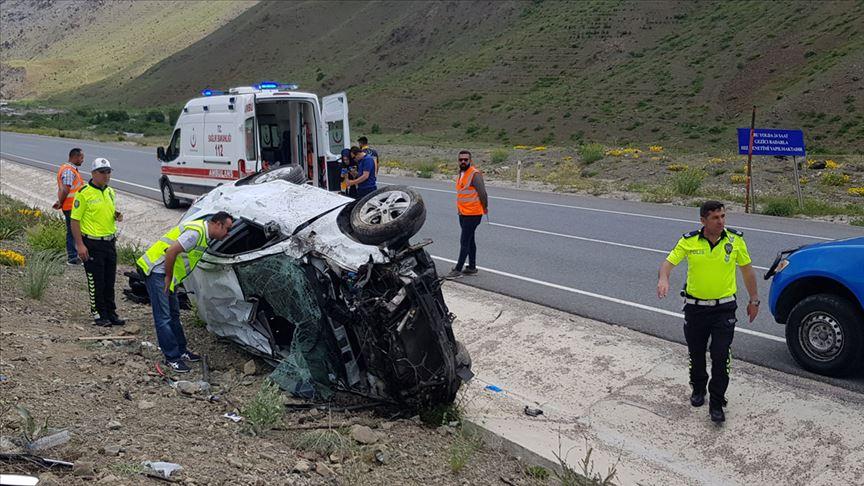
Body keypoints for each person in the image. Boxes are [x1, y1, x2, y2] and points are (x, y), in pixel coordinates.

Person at [657, 200, 759, 423]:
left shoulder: (735, 240)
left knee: (721, 356)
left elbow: (748, 272)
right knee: (696, 353)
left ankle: (717, 402)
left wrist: (754, 300)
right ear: (703, 220)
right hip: (695, 309)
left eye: (723, 216)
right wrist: (664, 278)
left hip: (724, 309)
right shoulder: (689, 241)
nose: (721, 221)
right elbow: (668, 263)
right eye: (715, 217)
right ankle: (698, 388)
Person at [136, 212, 234, 373]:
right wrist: (168, 276)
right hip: (158, 272)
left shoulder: (203, 234)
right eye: (227, 229)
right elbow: (171, 251)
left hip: (168, 275)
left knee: (174, 315)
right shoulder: (196, 234)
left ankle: (181, 351)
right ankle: (172, 358)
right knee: (164, 317)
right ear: (217, 224)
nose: (228, 234)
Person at [70, 158, 125, 327]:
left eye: (108, 172)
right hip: (92, 243)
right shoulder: (84, 193)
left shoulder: (110, 192)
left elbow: (106, 210)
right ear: (93, 173)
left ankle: (111, 312)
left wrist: (115, 215)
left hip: (109, 242)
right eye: (102, 172)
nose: (106, 176)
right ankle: (99, 313)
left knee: (110, 280)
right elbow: (75, 220)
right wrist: (80, 245)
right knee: (96, 280)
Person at [446, 150, 488, 278]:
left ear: (470, 160)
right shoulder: (461, 173)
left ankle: (458, 269)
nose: (463, 161)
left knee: (464, 241)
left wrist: (485, 208)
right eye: (461, 160)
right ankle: (472, 267)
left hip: (473, 214)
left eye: (466, 159)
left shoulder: (475, 174)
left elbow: (483, 193)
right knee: (470, 240)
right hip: (463, 213)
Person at [53, 148, 86, 265]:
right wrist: (60, 202)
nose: (83, 160)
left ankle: (77, 255)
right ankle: (73, 258)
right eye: (81, 158)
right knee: (73, 232)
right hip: (71, 206)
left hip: (73, 206)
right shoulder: (69, 171)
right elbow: (66, 189)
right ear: (75, 157)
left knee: (74, 231)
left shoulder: (70, 170)